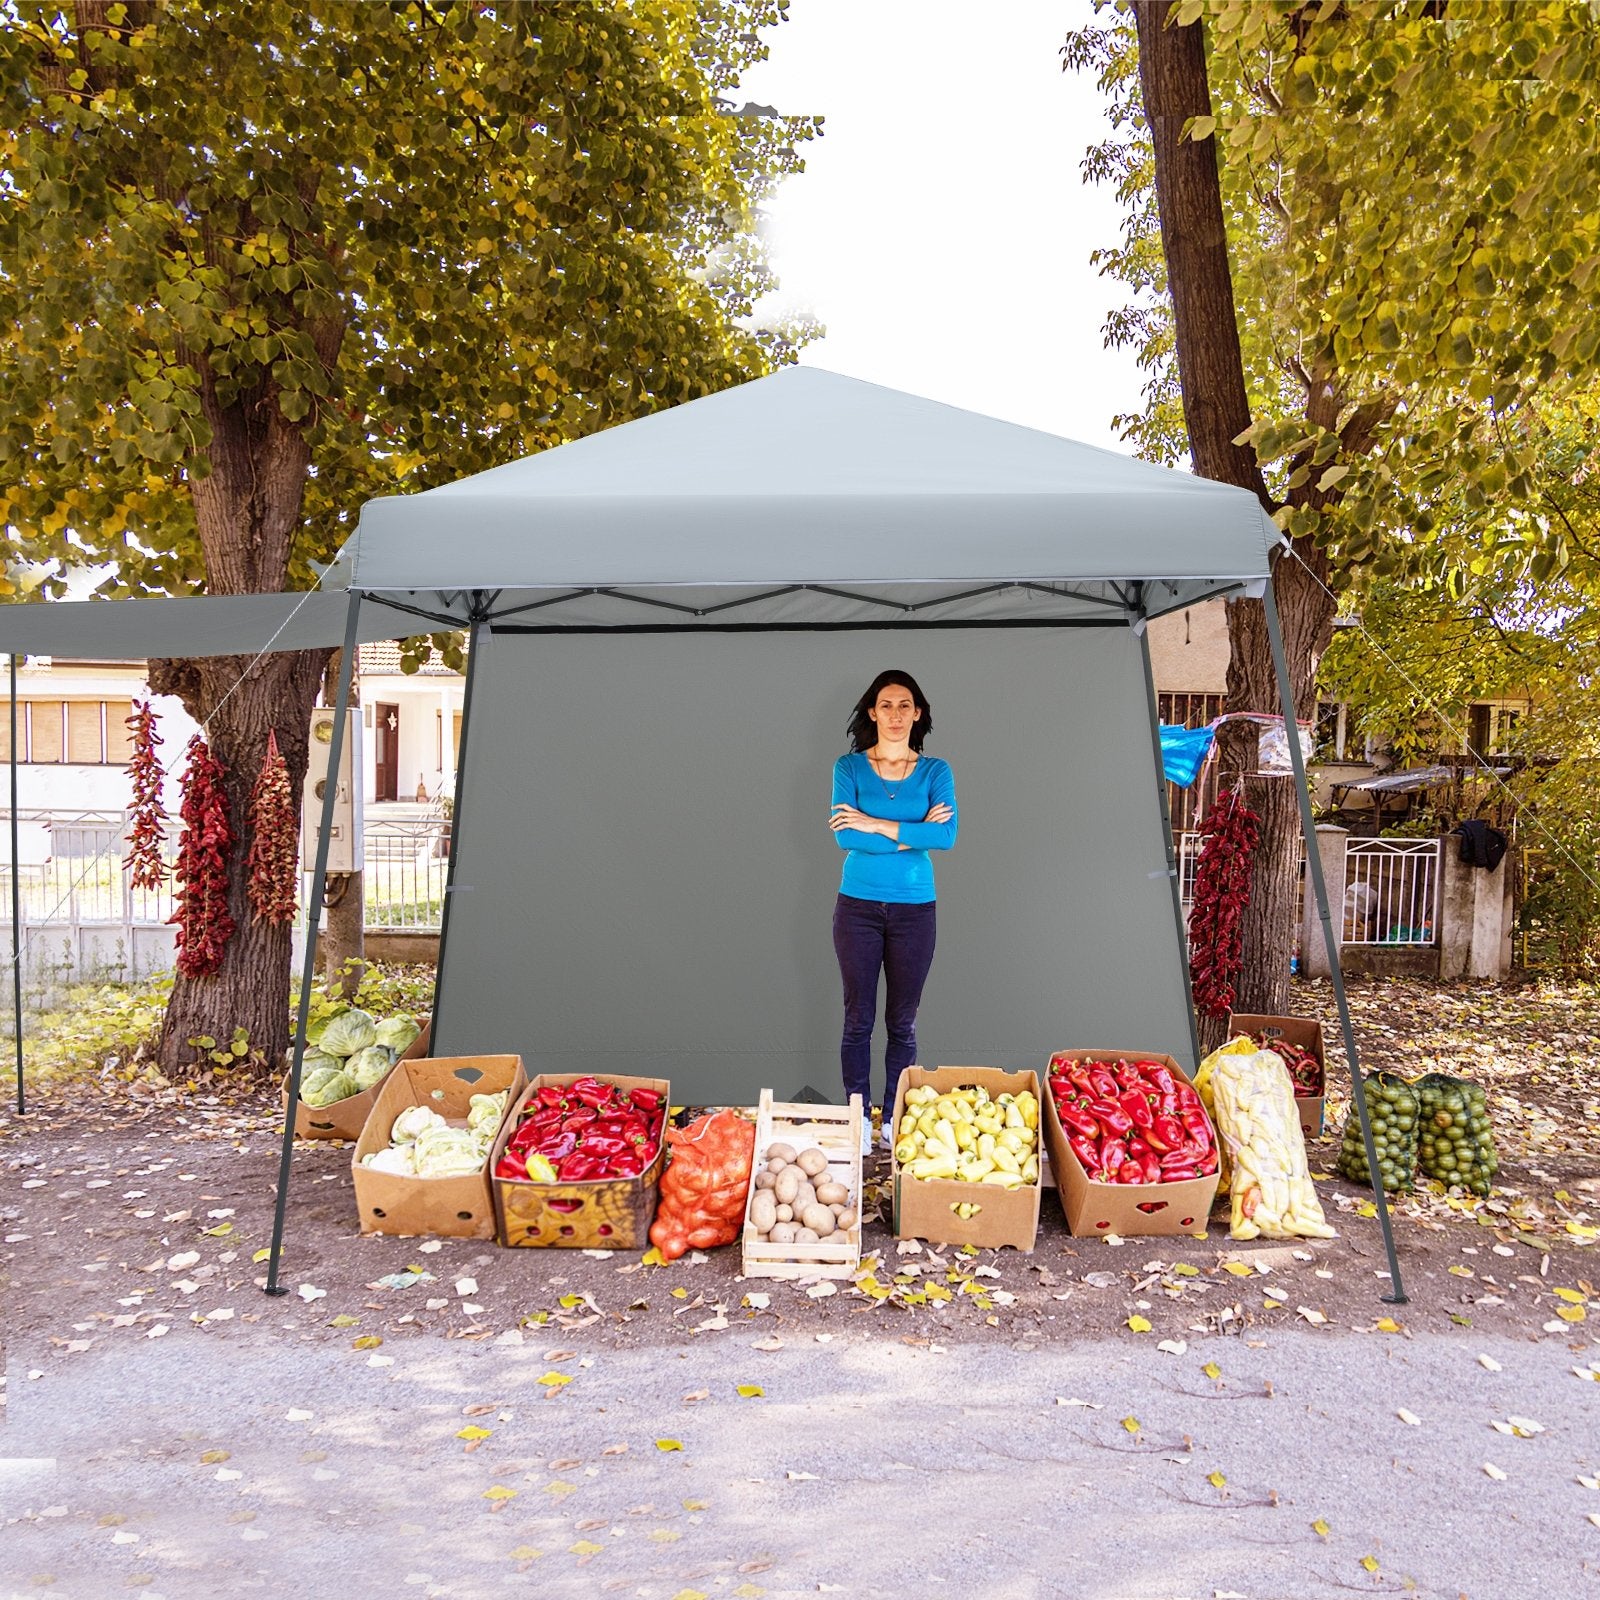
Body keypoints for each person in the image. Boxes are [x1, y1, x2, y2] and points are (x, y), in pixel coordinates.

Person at [828, 670, 958, 1150]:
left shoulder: (936, 771)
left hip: (914, 911)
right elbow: (845, 836)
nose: (896, 714)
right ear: (872, 712)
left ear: (918, 712)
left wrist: (874, 823)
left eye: (905, 705)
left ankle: (893, 1118)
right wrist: (910, 829)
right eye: (886, 705)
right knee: (857, 1018)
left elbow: (945, 836)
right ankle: (859, 1117)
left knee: (902, 1021)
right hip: (857, 907)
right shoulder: (848, 767)